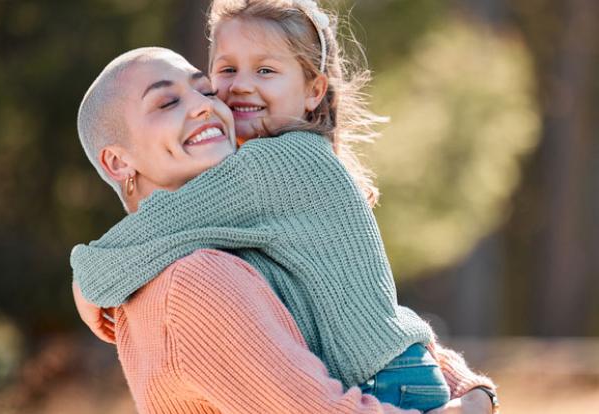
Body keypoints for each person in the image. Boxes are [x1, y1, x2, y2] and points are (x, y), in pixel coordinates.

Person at [73, 1, 499, 412]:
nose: (214, 99)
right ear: (117, 161)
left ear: (314, 91)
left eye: (204, 89)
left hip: (384, 377)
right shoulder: (196, 275)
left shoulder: (271, 167)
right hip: (390, 371)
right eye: (224, 71)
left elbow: (152, 231)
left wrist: (89, 287)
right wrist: (470, 395)